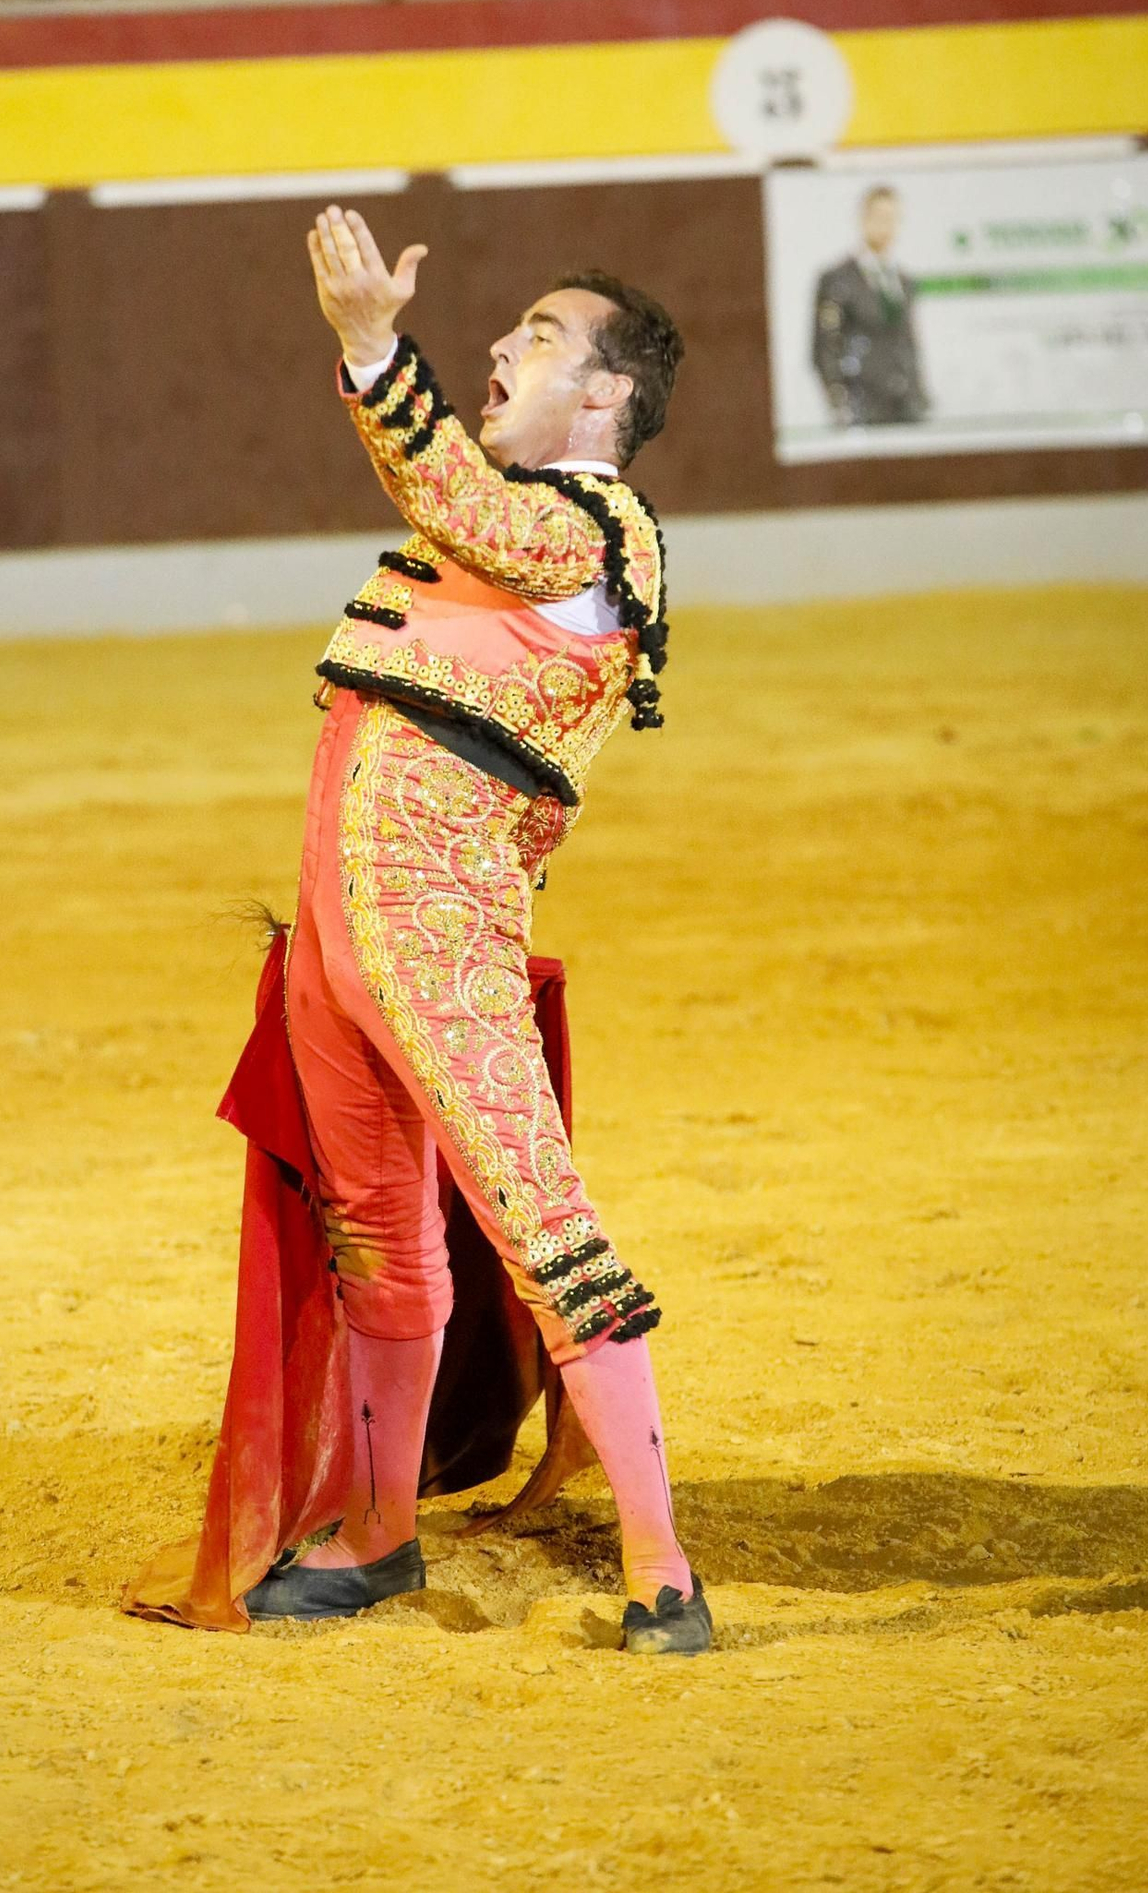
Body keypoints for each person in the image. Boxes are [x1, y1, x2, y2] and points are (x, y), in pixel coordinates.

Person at [223, 205, 709, 1660]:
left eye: (539, 337)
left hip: (438, 923)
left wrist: (377, 351)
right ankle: (381, 1536)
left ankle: (664, 1572)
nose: (503, 345)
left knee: (542, 1227)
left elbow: (464, 500)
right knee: (377, 1230)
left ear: (605, 395)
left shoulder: (596, 531)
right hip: (340, 927)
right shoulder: (509, 526)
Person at [812, 182, 928, 426]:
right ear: (864, 219)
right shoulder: (838, 279)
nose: (887, 226)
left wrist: (919, 396)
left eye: (893, 219)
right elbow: (825, 348)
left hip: (906, 409)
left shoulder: (903, 281)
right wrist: (841, 402)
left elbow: (908, 343)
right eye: (880, 217)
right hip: (863, 408)